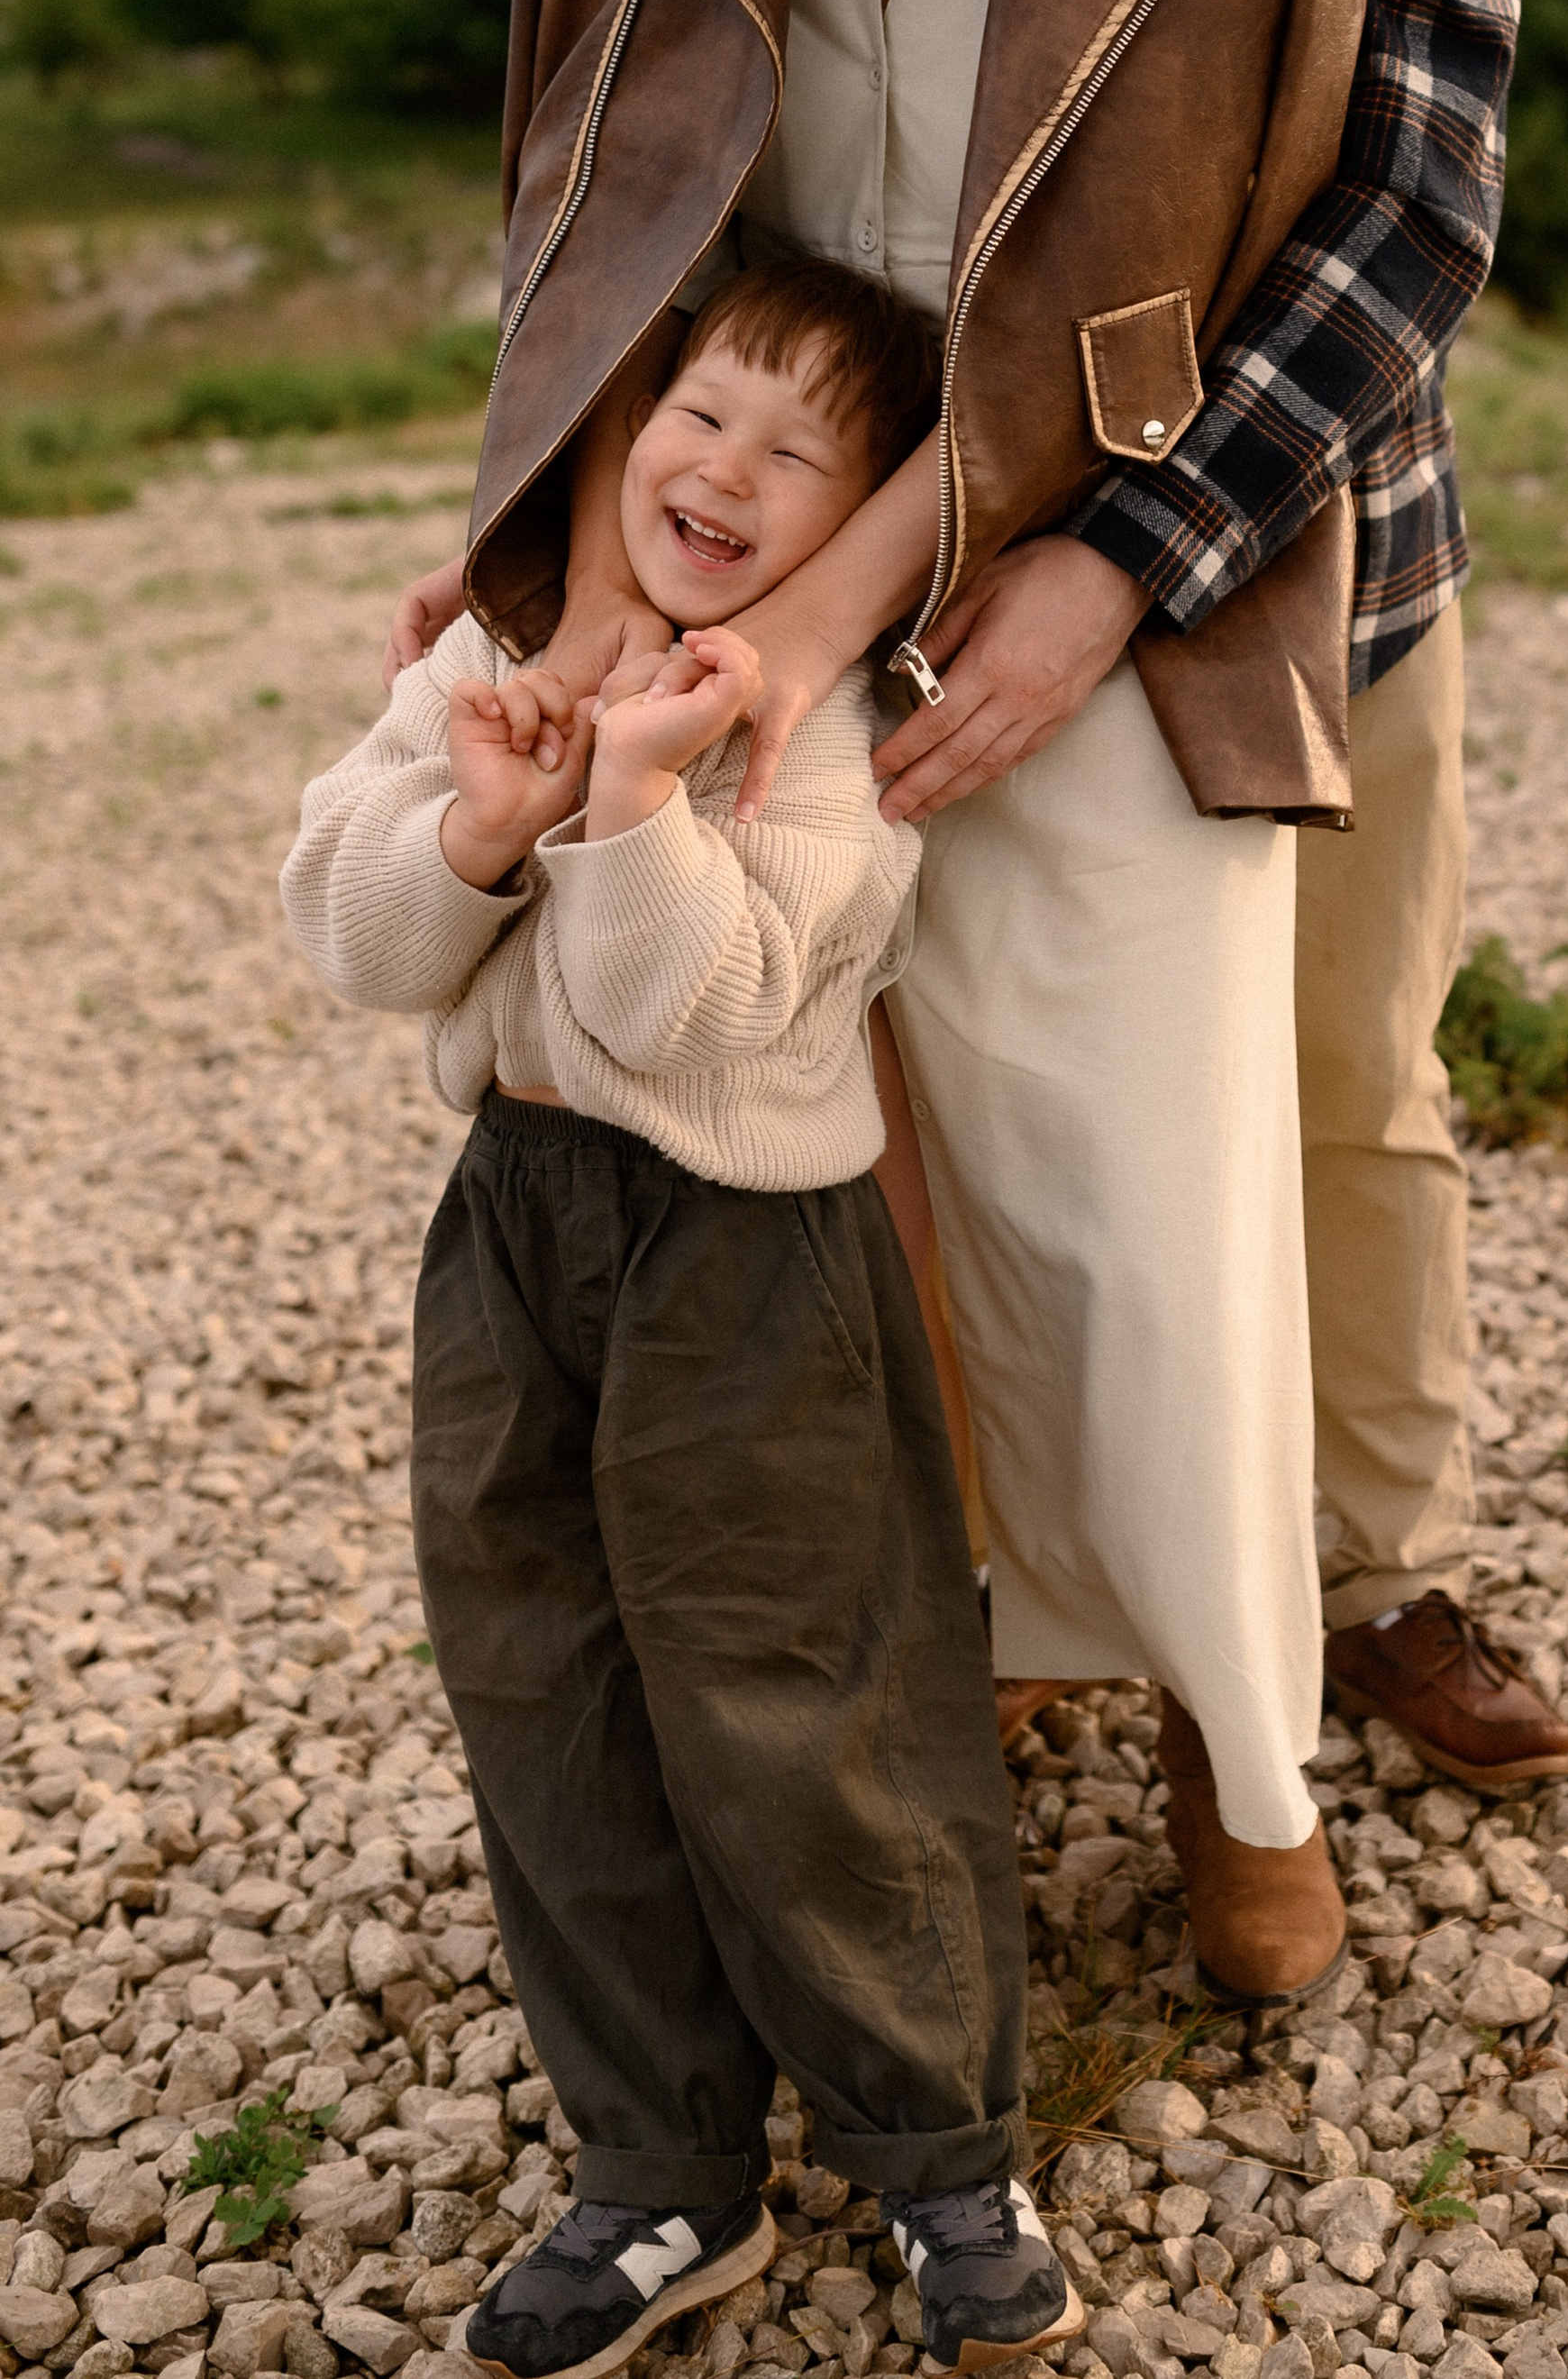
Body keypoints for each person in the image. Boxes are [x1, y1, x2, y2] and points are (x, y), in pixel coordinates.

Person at [387, 0, 1376, 1999]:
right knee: (804, 1153)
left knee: (1140, 1180)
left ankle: (1243, 1735)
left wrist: (872, 616)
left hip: (1089, 535)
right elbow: (582, 206)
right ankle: (938, 1678)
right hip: (731, 504)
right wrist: (582, 579)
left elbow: (1207, 270)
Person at [283, 257, 1084, 2379]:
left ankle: (941, 2149)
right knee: (543, 1679)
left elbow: (692, 1001)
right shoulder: (498, 647)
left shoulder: (827, 738)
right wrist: (482, 811)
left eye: (795, 453)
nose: (720, 469)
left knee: (801, 1684)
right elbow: (355, 934)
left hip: (750, 1252)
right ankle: (659, 2169)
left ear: (860, 536)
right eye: (697, 409)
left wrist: (633, 803)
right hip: (512, 1235)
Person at [1059, 0, 1568, 1793]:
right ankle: (1053, 1594)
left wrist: (1138, 538)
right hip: (964, 551)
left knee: (1357, 1081)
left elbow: (1415, 218)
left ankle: (1379, 1578)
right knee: (1008, 1086)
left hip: (1344, 540)